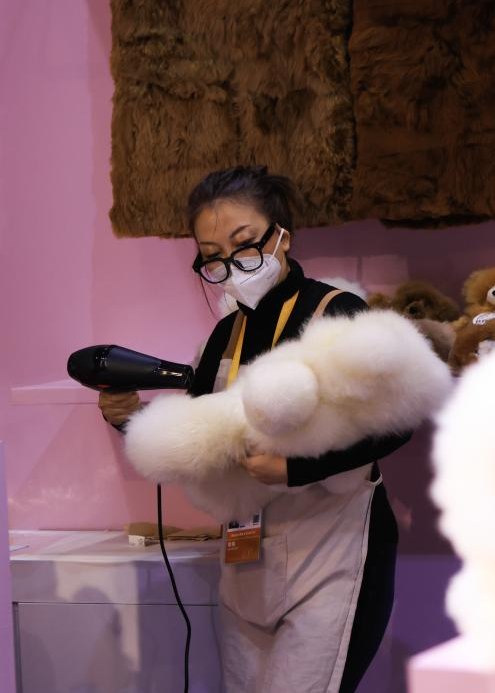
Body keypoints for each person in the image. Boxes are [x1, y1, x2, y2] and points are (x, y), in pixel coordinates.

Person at [98, 165, 410, 692]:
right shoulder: (225, 334)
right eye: (212, 256)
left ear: (282, 235)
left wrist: (296, 467)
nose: (231, 266)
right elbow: (201, 442)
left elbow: (397, 421)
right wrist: (129, 420)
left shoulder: (336, 313)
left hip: (333, 550)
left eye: (244, 245)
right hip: (247, 558)